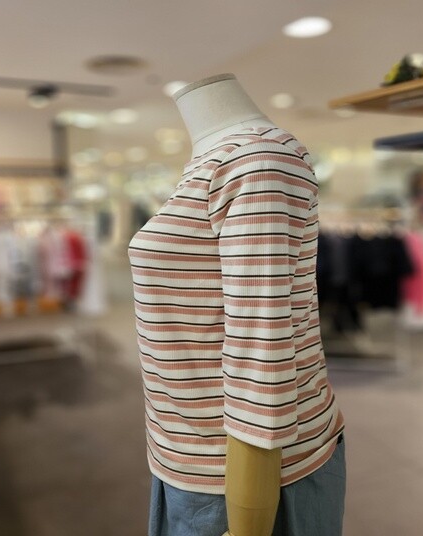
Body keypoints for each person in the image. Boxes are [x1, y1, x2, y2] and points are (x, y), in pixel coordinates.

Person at [128, 73, 346, 536]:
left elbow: (260, 349)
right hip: (190, 455)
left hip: (243, 478)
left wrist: (249, 522)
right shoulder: (214, 160)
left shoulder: (257, 160)